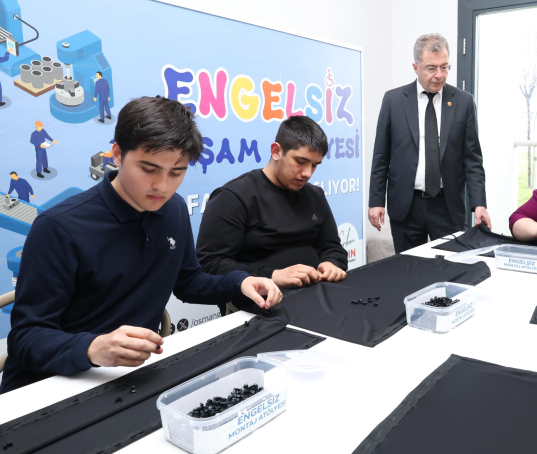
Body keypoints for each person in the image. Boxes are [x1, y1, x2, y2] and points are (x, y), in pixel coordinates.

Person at [0, 96, 282, 395]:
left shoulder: (174, 209)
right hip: (49, 386)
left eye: (177, 172)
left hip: (128, 379)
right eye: (149, 169)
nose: (162, 186)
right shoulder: (59, 227)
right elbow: (26, 338)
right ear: (117, 154)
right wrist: (93, 348)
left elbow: (188, 282)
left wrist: (241, 282)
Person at [197, 115, 347, 313]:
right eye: (300, 161)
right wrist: (272, 275)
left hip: (318, 295)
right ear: (276, 151)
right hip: (262, 304)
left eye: (314, 165)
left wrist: (331, 263)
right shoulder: (233, 197)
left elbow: (332, 247)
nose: (308, 173)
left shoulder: (315, 195)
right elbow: (210, 264)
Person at [368, 33, 490, 253]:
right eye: (431, 68)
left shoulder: (464, 102)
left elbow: (472, 159)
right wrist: (376, 200)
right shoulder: (393, 100)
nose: (439, 75)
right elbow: (381, 155)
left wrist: (479, 203)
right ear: (416, 67)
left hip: (447, 205)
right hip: (406, 204)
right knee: (409, 267)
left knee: (451, 265)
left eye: (444, 67)